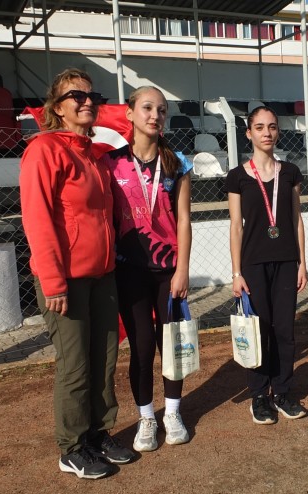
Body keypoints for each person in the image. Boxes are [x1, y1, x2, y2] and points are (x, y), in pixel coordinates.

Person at [20, 68, 134, 479]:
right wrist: (52, 282)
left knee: (104, 360)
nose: (87, 101)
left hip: (102, 275)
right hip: (64, 280)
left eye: (92, 96)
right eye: (76, 96)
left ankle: (98, 434)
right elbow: (37, 220)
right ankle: (71, 447)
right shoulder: (44, 150)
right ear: (57, 107)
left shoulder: (94, 156)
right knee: (76, 366)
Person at [105, 86, 193, 451]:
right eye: (147, 108)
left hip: (168, 270)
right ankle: (146, 417)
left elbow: (184, 219)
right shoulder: (110, 163)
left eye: (161, 110)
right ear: (129, 113)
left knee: (170, 345)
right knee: (141, 348)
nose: (155, 115)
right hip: (130, 269)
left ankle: (172, 412)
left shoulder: (177, 163)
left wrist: (182, 269)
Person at [226, 106, 308, 425]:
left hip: (286, 261)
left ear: (278, 131)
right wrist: (236, 272)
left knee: (285, 330)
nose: (267, 132)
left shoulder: (290, 172)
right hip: (253, 264)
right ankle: (259, 395)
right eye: (259, 127)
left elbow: (296, 219)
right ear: (248, 133)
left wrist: (302, 262)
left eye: (272, 126)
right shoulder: (237, 176)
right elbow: (236, 226)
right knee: (258, 330)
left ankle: (283, 392)